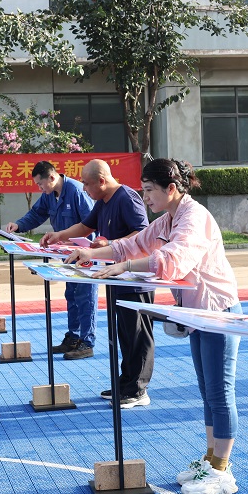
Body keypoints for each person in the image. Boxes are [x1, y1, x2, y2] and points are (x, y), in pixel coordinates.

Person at [65, 158, 242, 494]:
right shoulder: (169, 217)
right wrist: (91, 254)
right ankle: (212, 460)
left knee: (220, 393)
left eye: (149, 190)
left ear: (171, 189)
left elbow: (173, 258)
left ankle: (222, 471)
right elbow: (131, 244)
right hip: (197, 313)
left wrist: (124, 266)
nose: (144, 197)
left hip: (217, 312)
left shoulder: (194, 217)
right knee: (208, 392)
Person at [40, 159, 155, 408]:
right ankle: (125, 383)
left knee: (138, 336)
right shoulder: (103, 201)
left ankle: (138, 389)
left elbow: (142, 233)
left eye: (87, 183)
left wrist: (111, 244)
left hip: (136, 280)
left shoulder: (127, 198)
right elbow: (85, 226)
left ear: (102, 181)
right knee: (124, 335)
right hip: (116, 277)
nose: (83, 188)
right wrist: (59, 235)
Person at [5, 161, 99, 359]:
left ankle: (87, 342)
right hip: (67, 255)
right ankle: (73, 337)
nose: (40, 188)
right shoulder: (49, 195)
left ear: (52, 177)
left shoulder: (76, 191)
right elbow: (37, 214)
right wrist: (19, 225)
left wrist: (82, 247)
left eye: (40, 184)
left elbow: (91, 223)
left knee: (85, 296)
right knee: (71, 295)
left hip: (85, 254)